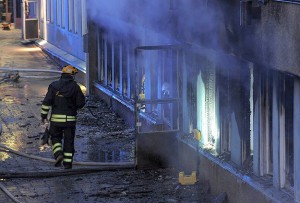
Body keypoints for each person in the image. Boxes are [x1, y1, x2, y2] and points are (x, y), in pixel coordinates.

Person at [41, 65, 85, 169]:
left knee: (55, 138)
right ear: (71, 76)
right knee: (69, 141)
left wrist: (43, 115)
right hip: (70, 121)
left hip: (56, 120)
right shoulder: (75, 87)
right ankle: (68, 164)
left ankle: (58, 154)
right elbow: (80, 103)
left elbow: (46, 102)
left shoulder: (53, 86)